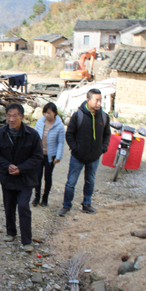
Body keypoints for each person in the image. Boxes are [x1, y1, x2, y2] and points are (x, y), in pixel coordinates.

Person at [0, 103, 43, 252]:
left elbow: (37, 156)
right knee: (9, 206)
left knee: (23, 206)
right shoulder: (0, 133)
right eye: (9, 115)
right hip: (7, 177)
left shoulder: (32, 134)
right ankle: (11, 232)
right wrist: (8, 166)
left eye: (14, 115)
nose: (11, 119)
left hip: (25, 179)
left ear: (22, 117)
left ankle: (27, 240)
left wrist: (21, 168)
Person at [58, 88, 111, 217]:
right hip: (78, 157)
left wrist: (103, 147)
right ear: (88, 100)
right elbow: (69, 134)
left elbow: (107, 134)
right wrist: (76, 148)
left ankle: (86, 204)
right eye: (96, 100)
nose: (99, 103)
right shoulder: (78, 116)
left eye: (100, 100)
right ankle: (66, 206)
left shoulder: (104, 117)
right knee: (71, 182)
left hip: (94, 156)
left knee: (90, 181)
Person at [32, 102, 65, 207]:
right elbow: (35, 138)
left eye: (49, 113)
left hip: (51, 156)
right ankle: (36, 197)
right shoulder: (40, 122)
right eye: (45, 113)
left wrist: (58, 156)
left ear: (55, 113)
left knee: (48, 177)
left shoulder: (59, 126)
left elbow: (61, 142)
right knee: (37, 176)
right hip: (39, 154)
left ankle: (45, 198)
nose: (47, 115)